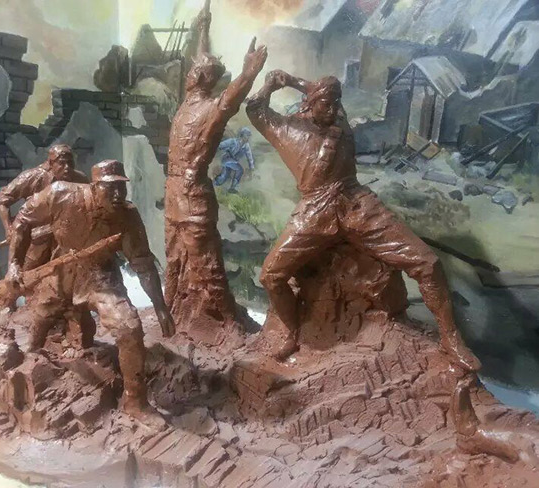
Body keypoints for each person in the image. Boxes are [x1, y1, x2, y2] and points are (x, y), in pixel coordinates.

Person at [246, 70, 480, 372]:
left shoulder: (339, 123)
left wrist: (298, 82)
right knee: (270, 276)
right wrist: (274, 82)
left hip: (357, 203)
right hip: (315, 210)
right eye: (326, 104)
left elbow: (325, 90)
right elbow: (255, 108)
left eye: (336, 103)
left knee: (428, 263)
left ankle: (451, 339)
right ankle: (292, 333)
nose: (333, 109)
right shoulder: (285, 129)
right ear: (309, 103)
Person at [6, 160, 175, 423]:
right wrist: (14, 264)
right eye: (110, 188)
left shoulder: (127, 216)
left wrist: (160, 307)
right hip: (62, 272)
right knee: (41, 319)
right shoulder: (60, 194)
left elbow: (142, 264)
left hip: (100, 277)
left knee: (129, 327)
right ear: (94, 187)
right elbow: (22, 221)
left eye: (121, 187)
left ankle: (135, 401)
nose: (117, 195)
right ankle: (29, 368)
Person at [164, 2, 267, 339]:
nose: (190, 70)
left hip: (193, 194)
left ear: (202, 78)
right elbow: (202, 58)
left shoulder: (212, 109)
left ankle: (229, 322)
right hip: (173, 192)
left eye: (196, 70)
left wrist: (249, 72)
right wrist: (204, 28)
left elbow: (231, 97)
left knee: (206, 262)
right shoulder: (190, 98)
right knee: (174, 258)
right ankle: (171, 313)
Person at [0, 144, 89, 270]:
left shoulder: (80, 179)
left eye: (70, 163)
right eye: (61, 163)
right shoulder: (33, 177)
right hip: (36, 238)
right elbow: (2, 200)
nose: (67, 168)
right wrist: (8, 228)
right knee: (29, 273)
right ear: (51, 163)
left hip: (68, 237)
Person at [214, 127, 255, 193]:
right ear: (243, 135)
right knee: (239, 169)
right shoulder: (232, 141)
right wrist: (224, 149)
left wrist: (252, 167)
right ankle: (232, 188)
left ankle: (215, 184)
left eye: (249, 136)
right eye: (247, 135)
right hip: (226, 159)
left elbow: (249, 156)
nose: (248, 137)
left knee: (224, 177)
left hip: (233, 162)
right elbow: (220, 145)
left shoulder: (246, 146)